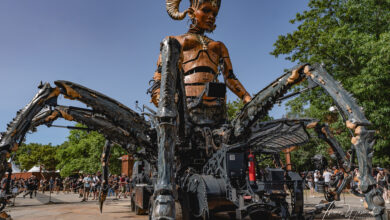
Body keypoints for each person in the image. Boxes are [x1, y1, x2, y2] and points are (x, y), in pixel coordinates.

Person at [149, 1, 251, 216]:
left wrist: (247, 98)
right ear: (190, 12)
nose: (212, 16)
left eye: (214, 12)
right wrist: (167, 102)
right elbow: (158, 81)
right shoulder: (175, 42)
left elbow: (230, 78)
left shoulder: (218, 46)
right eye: (206, 10)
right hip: (185, 113)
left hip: (216, 114)